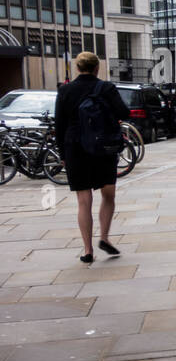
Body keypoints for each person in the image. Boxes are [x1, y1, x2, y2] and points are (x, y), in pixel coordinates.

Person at [53, 52, 129, 264]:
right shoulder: (106, 88)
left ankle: (87, 250)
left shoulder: (65, 90)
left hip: (75, 147)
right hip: (103, 146)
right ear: (97, 68)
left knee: (83, 200)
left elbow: (59, 124)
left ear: (77, 68)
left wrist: (62, 153)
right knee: (108, 194)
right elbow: (124, 111)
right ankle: (104, 237)